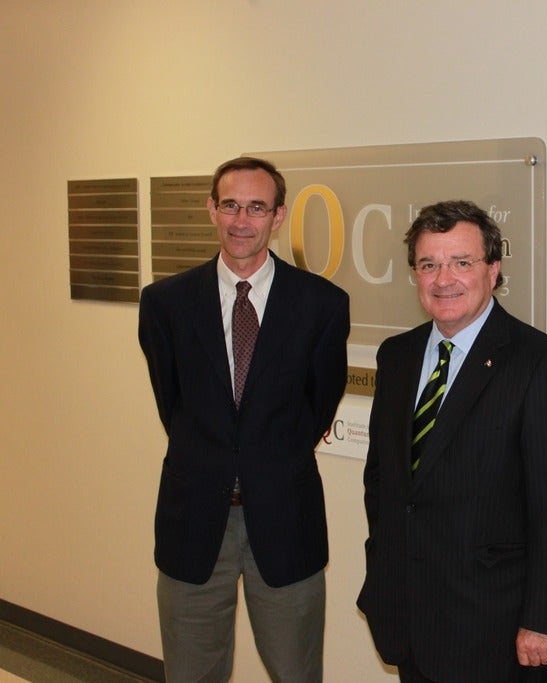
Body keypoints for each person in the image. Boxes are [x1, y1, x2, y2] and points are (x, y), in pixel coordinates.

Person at [357, 200, 547, 683]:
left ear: (493, 269)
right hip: (408, 616)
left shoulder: (540, 364)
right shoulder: (397, 357)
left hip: (496, 631)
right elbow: (382, 481)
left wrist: (544, 620)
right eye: (429, 264)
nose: (444, 279)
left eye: (461, 262)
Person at [138, 156, 350, 682]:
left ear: (278, 217)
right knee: (190, 674)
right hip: (193, 521)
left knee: (296, 674)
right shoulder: (166, 303)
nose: (241, 220)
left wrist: (264, 459)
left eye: (257, 207)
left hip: (285, 518)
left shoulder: (321, 304)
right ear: (211, 209)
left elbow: (319, 402)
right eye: (230, 205)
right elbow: (174, 405)